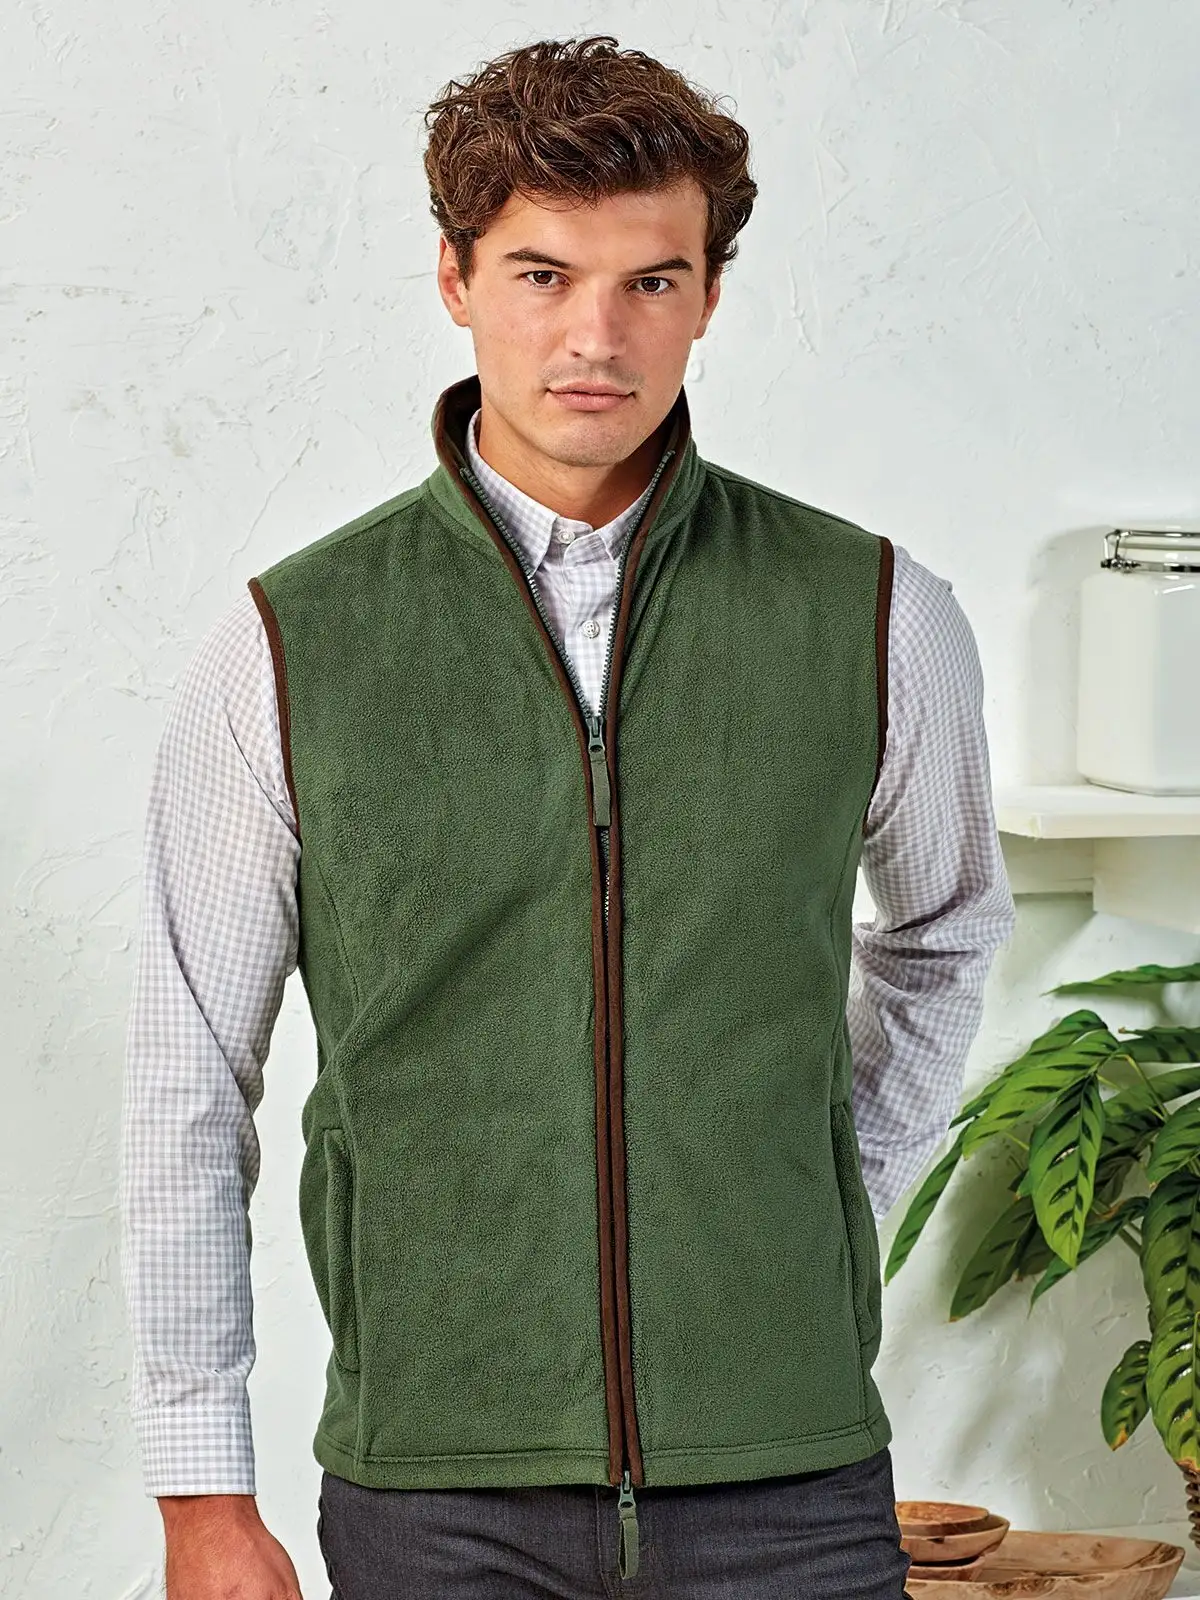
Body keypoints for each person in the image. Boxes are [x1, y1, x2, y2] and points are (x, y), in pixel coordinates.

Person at [119, 32, 1016, 1600]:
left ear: (710, 295)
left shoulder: (875, 614)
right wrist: (203, 1493)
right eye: (542, 275)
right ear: (456, 278)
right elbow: (189, 1069)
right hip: (435, 1494)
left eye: (651, 281)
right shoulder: (289, 645)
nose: (596, 335)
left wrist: (827, 1202)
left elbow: (944, 932)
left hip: (788, 1484)